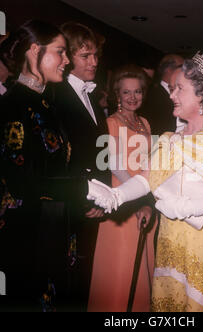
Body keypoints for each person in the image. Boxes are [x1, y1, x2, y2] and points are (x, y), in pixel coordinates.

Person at [87, 52, 203, 312]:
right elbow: (147, 178)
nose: (172, 95)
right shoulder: (172, 138)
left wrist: (186, 207)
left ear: (202, 95)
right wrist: (116, 196)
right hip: (170, 240)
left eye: (179, 89)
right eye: (172, 88)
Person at [0, 20, 94, 311]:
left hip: (53, 227)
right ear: (34, 51)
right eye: (61, 52)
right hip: (25, 235)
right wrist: (83, 188)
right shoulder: (13, 105)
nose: (67, 60)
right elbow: (21, 181)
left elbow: (56, 166)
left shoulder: (47, 104)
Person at [48, 22, 110, 310]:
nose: (94, 62)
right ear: (68, 57)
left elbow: (99, 151)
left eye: (95, 55)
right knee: (66, 283)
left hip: (93, 201)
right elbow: (58, 158)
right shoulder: (55, 96)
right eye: (86, 56)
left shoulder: (92, 97)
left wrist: (104, 193)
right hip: (71, 205)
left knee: (85, 280)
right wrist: (84, 199)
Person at [88, 64, 157, 312]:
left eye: (137, 92)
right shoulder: (110, 122)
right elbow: (115, 166)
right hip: (122, 200)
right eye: (126, 92)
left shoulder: (145, 123)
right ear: (117, 94)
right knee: (120, 267)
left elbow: (150, 163)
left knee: (140, 266)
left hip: (144, 199)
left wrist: (149, 198)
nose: (132, 97)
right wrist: (138, 198)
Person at [140, 54, 184, 135]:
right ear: (169, 70)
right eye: (182, 67)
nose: (185, 70)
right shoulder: (150, 95)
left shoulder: (185, 94)